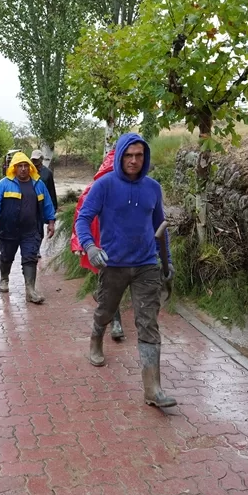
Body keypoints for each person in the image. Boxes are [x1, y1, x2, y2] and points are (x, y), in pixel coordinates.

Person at [74, 132, 175, 408]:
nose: (133, 160)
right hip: (113, 264)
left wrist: (167, 262)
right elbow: (83, 219)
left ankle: (153, 389)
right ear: (119, 156)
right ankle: (96, 339)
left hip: (146, 265)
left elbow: (160, 227)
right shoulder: (104, 185)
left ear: (145, 157)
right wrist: (90, 247)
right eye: (128, 155)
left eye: (139, 155)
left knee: (148, 323)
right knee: (106, 310)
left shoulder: (153, 188)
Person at [0, 151, 56, 303]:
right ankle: (4, 278)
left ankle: (30, 290)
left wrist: (51, 222)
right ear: (14, 168)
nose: (23, 169)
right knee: (6, 256)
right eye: (19, 166)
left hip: (31, 230)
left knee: (30, 258)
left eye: (25, 166)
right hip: (9, 229)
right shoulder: (4, 184)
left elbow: (48, 204)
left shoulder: (38, 184)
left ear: (30, 167)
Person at [70, 147, 126, 341]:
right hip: (101, 245)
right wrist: (81, 244)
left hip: (125, 245)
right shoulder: (95, 189)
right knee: (112, 283)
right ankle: (115, 323)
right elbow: (81, 217)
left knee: (117, 283)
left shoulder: (133, 188)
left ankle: (101, 296)